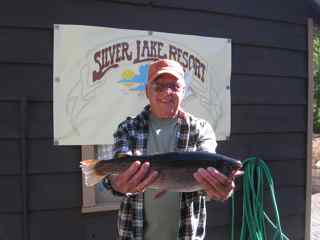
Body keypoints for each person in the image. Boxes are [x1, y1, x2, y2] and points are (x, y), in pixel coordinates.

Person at [98, 59, 241, 240]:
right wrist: (116, 182)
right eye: (159, 86)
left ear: (184, 91)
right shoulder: (127, 128)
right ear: (147, 91)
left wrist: (220, 189)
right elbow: (115, 170)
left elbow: (208, 170)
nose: (167, 92)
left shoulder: (201, 129)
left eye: (174, 86)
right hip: (132, 234)